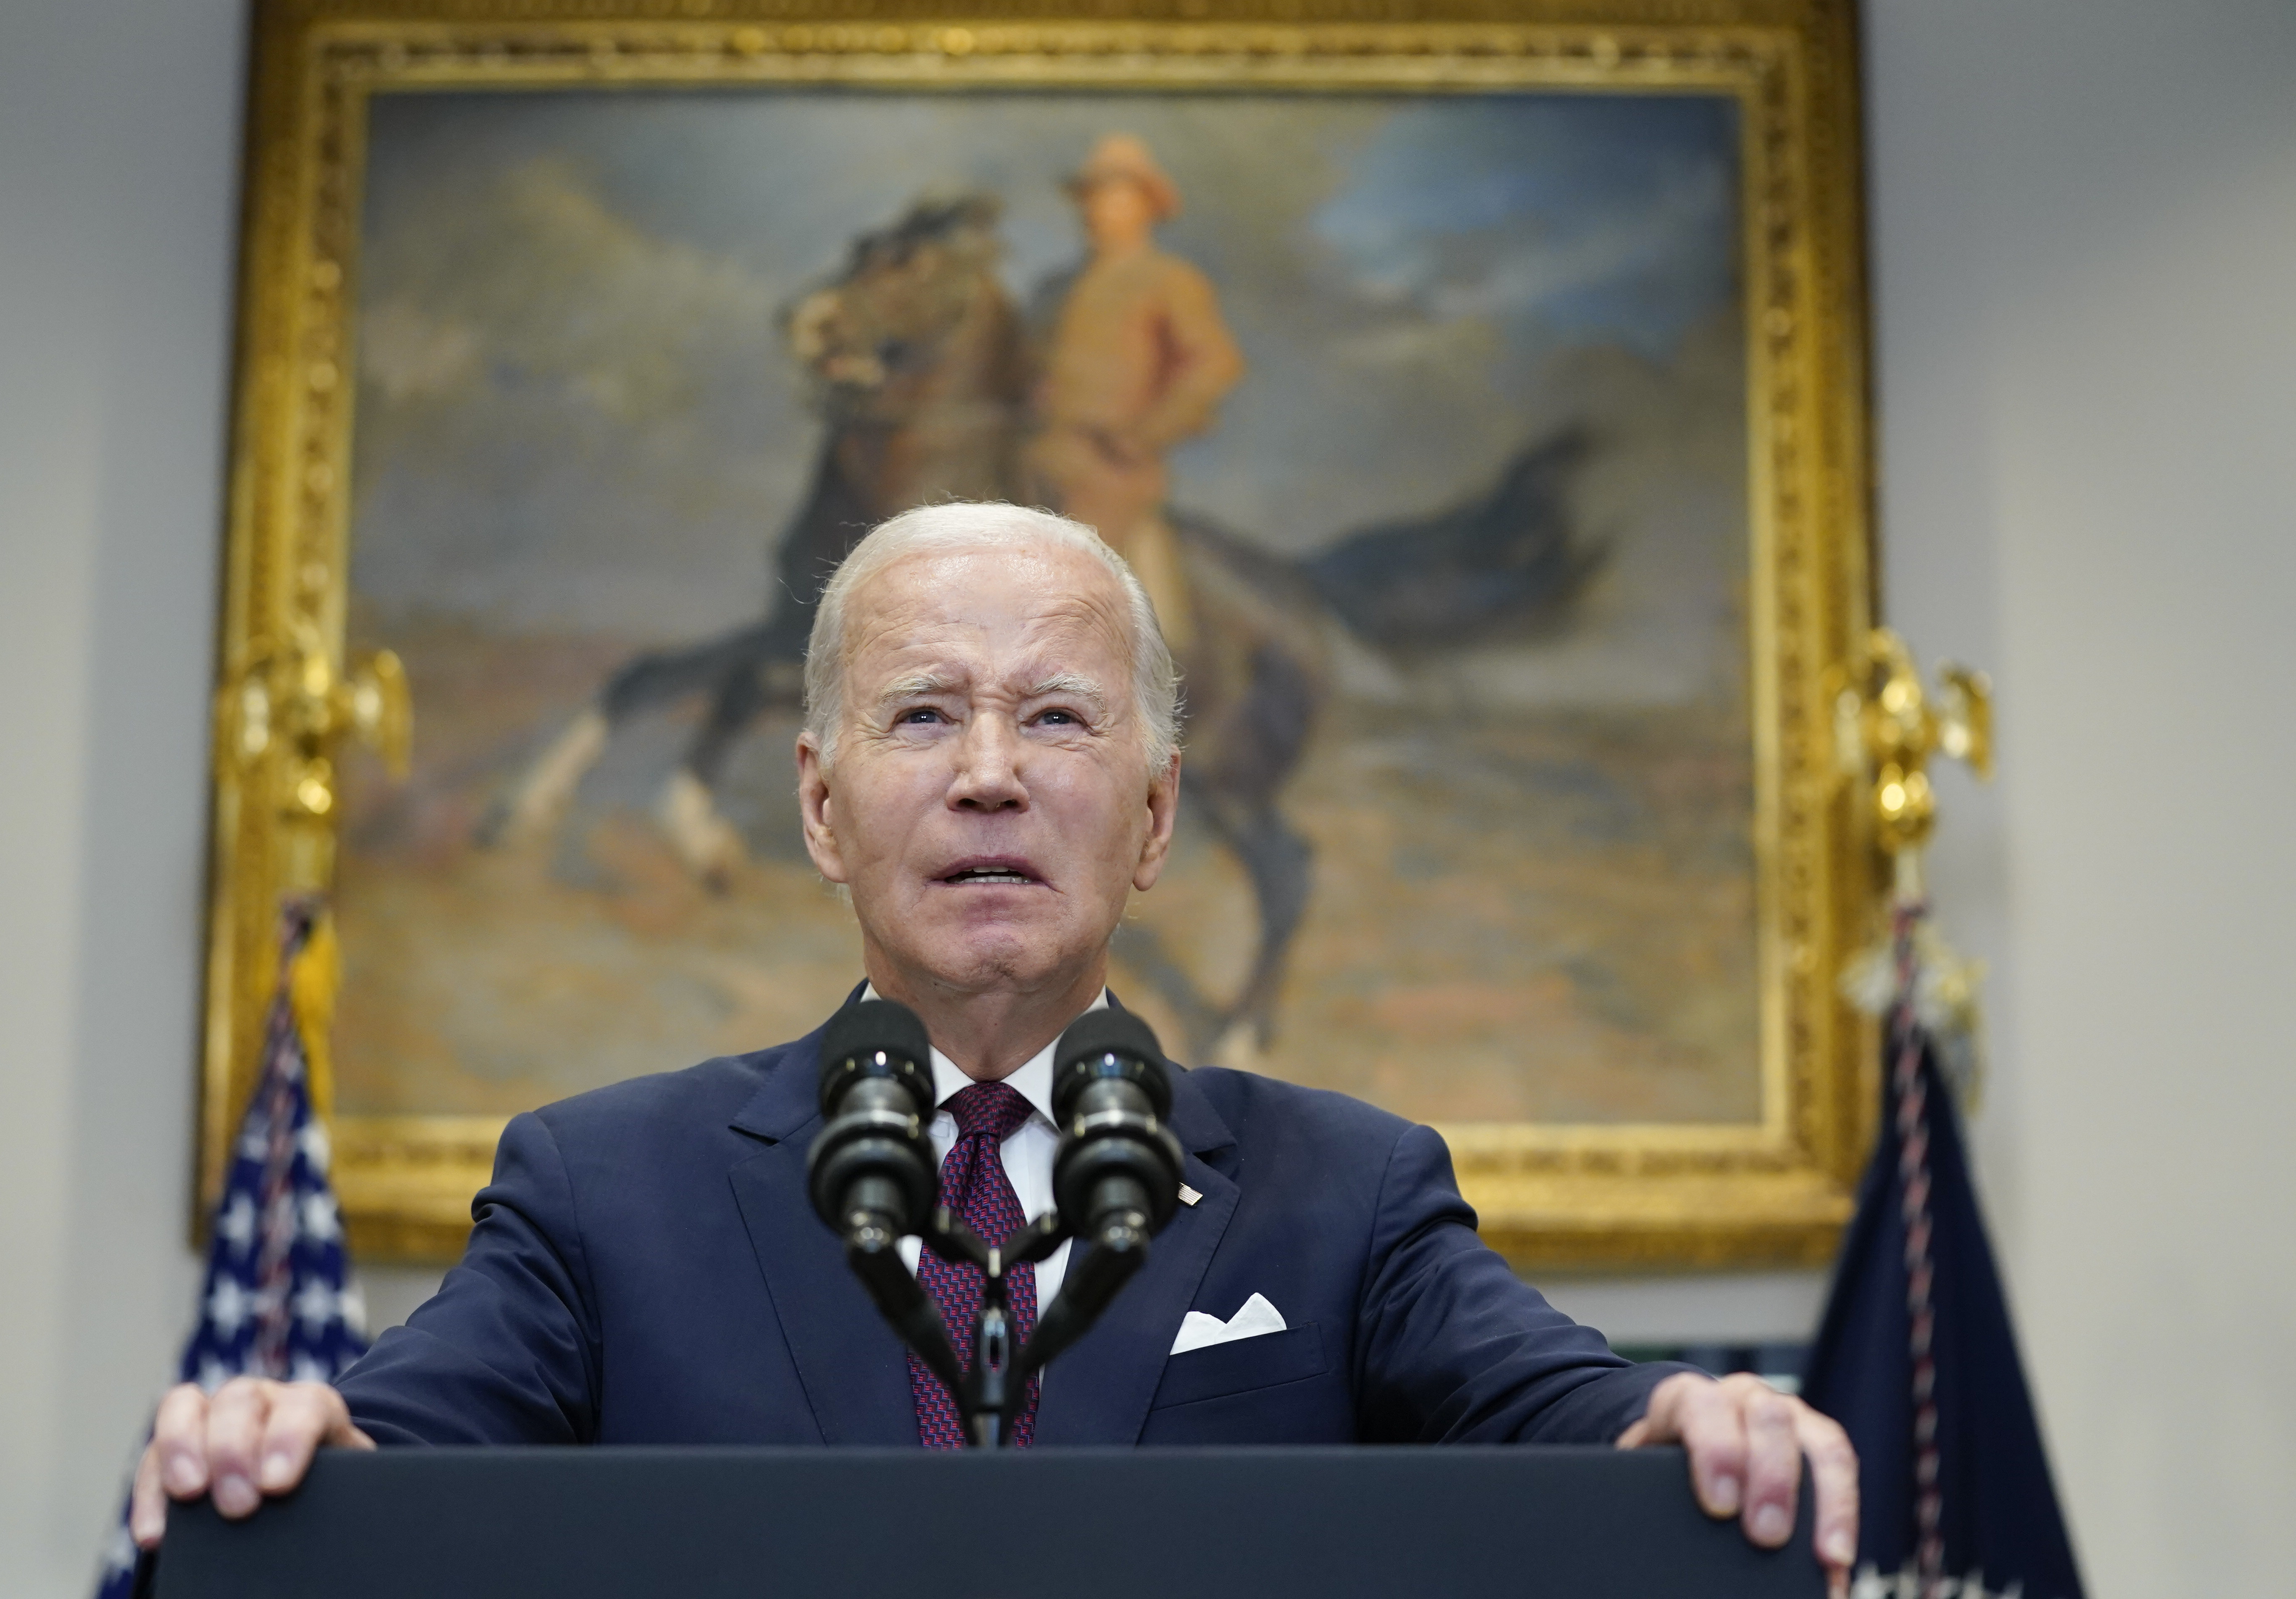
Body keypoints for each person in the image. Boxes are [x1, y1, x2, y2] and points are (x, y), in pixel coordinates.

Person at [132, 503, 1858, 1591]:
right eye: (920, 714)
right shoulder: (604, 1189)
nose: (987, 774)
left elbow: (1565, 1416)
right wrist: (288, 1440)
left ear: (1159, 815)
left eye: (1055, 717)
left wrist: (1690, 1420)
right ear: (819, 804)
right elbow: (394, 1462)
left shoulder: (1346, 1192)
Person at [1022, 134, 1243, 653]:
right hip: (1035, 454)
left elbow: (1215, 363)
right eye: (1093, 196)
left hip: (1109, 465)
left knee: (1071, 591)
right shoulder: (1055, 289)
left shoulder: (1168, 280)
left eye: (1117, 195)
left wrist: (1147, 434)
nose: (1101, 208)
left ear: (1147, 207)